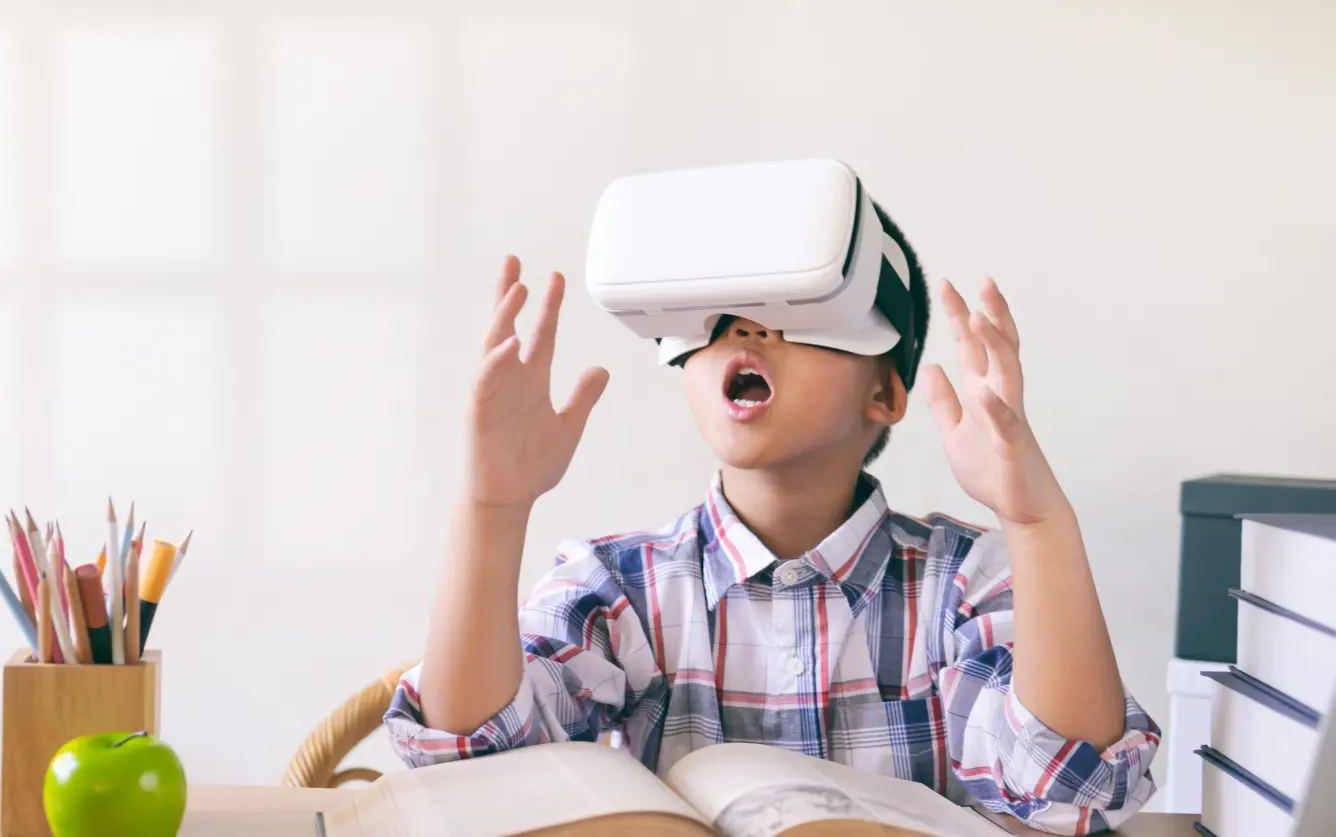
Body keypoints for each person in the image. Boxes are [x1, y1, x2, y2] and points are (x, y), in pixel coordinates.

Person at [383, 204, 1159, 835]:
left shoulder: (967, 582)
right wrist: (492, 508)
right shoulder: (617, 586)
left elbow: (1071, 794)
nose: (745, 330)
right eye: (718, 318)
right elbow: (471, 769)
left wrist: (1036, 522)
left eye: (798, 310)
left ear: (885, 394)